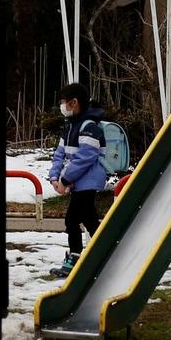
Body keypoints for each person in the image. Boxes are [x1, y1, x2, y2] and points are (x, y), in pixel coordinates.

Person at [46, 82, 109, 278]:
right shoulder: (70, 126)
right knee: (88, 219)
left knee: (72, 219)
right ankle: (103, 252)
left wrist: (66, 179)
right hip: (78, 182)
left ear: (74, 103)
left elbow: (85, 157)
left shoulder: (89, 126)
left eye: (64, 102)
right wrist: (55, 176)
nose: (62, 106)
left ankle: (75, 258)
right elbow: (60, 154)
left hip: (87, 181)